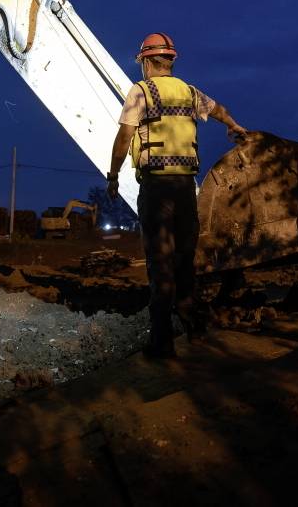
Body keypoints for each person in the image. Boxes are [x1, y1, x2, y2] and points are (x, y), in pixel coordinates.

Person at [107, 32, 247, 359]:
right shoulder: (188, 92)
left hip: (157, 189)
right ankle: (194, 330)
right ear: (170, 60)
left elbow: (125, 135)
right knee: (185, 260)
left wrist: (113, 176)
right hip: (186, 189)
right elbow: (219, 110)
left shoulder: (140, 92)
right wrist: (234, 125)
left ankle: (162, 342)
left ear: (146, 62)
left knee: (160, 262)